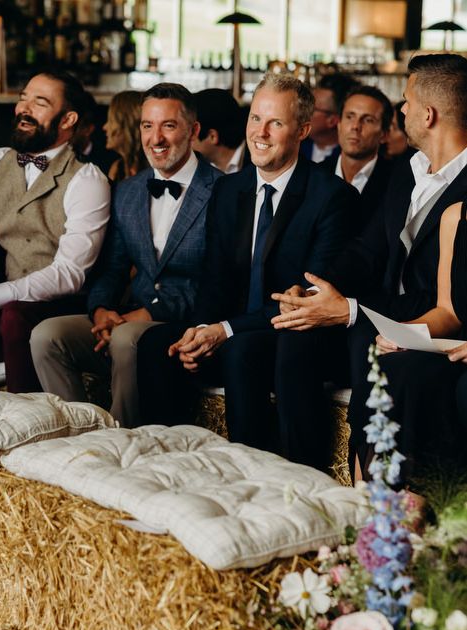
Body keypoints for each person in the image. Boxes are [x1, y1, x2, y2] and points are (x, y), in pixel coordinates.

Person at [136, 73, 357, 470]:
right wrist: (201, 329)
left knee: (242, 349)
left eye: (276, 123)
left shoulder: (333, 197)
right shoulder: (229, 189)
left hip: (293, 337)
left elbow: (306, 301)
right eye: (256, 118)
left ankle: (252, 477)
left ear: (303, 130)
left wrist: (226, 330)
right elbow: (215, 276)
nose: (261, 132)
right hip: (231, 327)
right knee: (157, 345)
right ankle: (167, 472)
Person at [270, 54, 467, 480]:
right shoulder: (406, 172)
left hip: (425, 317)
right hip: (381, 309)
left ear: (428, 114)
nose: (403, 110)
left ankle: (369, 490)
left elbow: (447, 303)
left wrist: (353, 309)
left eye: (407, 101)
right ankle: (299, 479)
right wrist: (314, 292)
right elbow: (366, 249)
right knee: (298, 338)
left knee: (366, 336)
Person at [30, 83, 219, 427]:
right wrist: (102, 310)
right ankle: (79, 436)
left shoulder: (223, 191)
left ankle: (121, 442)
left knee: (127, 337)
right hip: (127, 321)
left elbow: (217, 281)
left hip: (185, 324)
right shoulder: (129, 190)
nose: (155, 138)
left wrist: (143, 314)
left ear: (193, 131)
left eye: (168, 126)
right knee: (47, 335)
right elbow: (112, 267)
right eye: (148, 126)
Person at [0, 70, 111, 392]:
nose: (23, 109)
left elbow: (70, 274)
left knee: (14, 316)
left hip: (65, 303)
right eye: (22, 99)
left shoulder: (87, 180)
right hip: (7, 299)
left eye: (39, 103)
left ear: (68, 119)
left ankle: (23, 414)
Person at [370, 199, 466, 483]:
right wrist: (402, 332)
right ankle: (396, 498)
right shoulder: (455, 215)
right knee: (400, 367)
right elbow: (448, 312)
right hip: (457, 346)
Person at [321, 85, 394, 233]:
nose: (355, 126)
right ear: (339, 125)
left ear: (384, 134)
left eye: (368, 120)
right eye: (349, 117)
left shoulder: (395, 183)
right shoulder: (314, 176)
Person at [300, 72, 358, 163]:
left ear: (333, 120)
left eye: (312, 108)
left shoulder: (350, 157)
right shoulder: (296, 147)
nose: (303, 112)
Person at [192, 88, 249, 174]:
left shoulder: (259, 163)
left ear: (212, 137)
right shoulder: (198, 168)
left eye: (191, 133)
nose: (182, 139)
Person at [101, 90, 147, 181]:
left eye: (111, 121)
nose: (104, 127)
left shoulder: (156, 168)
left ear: (128, 124)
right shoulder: (118, 168)